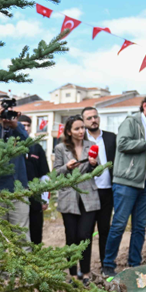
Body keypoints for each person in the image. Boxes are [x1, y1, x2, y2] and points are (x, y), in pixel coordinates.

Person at [104, 93, 146, 274]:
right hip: (126, 182)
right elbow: (122, 144)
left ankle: (134, 265)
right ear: (144, 106)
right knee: (119, 224)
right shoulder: (131, 122)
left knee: (139, 227)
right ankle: (108, 265)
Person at [53, 115, 103, 278]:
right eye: (77, 128)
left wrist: (94, 165)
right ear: (69, 131)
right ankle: (73, 274)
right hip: (69, 196)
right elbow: (56, 173)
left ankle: (86, 272)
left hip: (89, 196)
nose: (81, 131)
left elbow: (99, 171)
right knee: (71, 237)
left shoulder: (91, 146)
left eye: (83, 128)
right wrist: (67, 168)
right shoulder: (61, 148)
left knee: (85, 235)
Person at [0, 107, 32, 230]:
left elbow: (28, 145)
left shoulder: (17, 128)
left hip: (19, 189)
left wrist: (15, 125)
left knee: (21, 232)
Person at [81, 107, 116, 267]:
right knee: (85, 232)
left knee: (105, 230)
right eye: (89, 118)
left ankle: (106, 265)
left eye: (95, 117)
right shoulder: (80, 139)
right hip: (87, 192)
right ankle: (85, 269)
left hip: (107, 191)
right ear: (83, 121)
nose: (93, 120)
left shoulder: (111, 138)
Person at [18, 114, 49, 245]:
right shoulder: (10, 146)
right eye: (22, 125)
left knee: (35, 233)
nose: (26, 128)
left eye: (28, 125)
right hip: (16, 197)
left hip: (35, 198)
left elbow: (44, 175)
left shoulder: (37, 147)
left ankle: (35, 256)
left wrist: (45, 199)